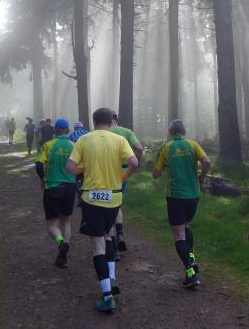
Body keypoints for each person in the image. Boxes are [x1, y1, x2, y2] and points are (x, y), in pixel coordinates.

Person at [66, 108, 138, 313]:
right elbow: (134, 162)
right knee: (108, 235)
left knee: (98, 246)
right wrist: (122, 178)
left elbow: (70, 168)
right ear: (111, 121)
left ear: (94, 121)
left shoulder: (84, 140)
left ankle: (107, 297)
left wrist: (83, 169)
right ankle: (112, 277)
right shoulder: (120, 140)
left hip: (91, 198)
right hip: (114, 197)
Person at [152, 119, 211, 289]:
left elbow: (156, 174)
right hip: (194, 195)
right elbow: (207, 162)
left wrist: (162, 167)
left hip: (176, 196)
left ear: (170, 132)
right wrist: (201, 178)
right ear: (184, 132)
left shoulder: (166, 148)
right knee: (185, 227)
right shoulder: (193, 145)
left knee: (178, 235)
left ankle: (190, 268)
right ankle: (190, 269)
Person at [35, 118, 76, 268]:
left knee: (52, 224)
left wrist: (43, 180)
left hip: (53, 187)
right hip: (70, 187)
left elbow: (39, 165)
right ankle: (64, 252)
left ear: (55, 131)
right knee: (66, 220)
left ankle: (60, 242)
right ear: (68, 130)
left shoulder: (48, 145)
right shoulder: (74, 145)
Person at [109, 112, 144, 253]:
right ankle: (120, 233)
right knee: (117, 204)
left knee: (106, 206)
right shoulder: (127, 132)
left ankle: (112, 244)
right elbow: (139, 148)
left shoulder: (102, 132)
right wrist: (137, 163)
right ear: (117, 120)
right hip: (124, 172)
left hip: (106, 172)